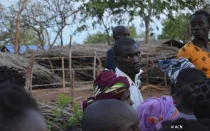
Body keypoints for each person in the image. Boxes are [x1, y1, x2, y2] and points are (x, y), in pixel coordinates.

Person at [177, 10, 210, 77]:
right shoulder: (186, 51)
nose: (196, 28)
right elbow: (178, 80)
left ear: (209, 25)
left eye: (200, 24)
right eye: (193, 24)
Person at [114, 37, 143, 109]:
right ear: (116, 60)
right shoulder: (117, 87)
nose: (136, 60)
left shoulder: (135, 80)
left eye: (138, 54)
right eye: (127, 57)